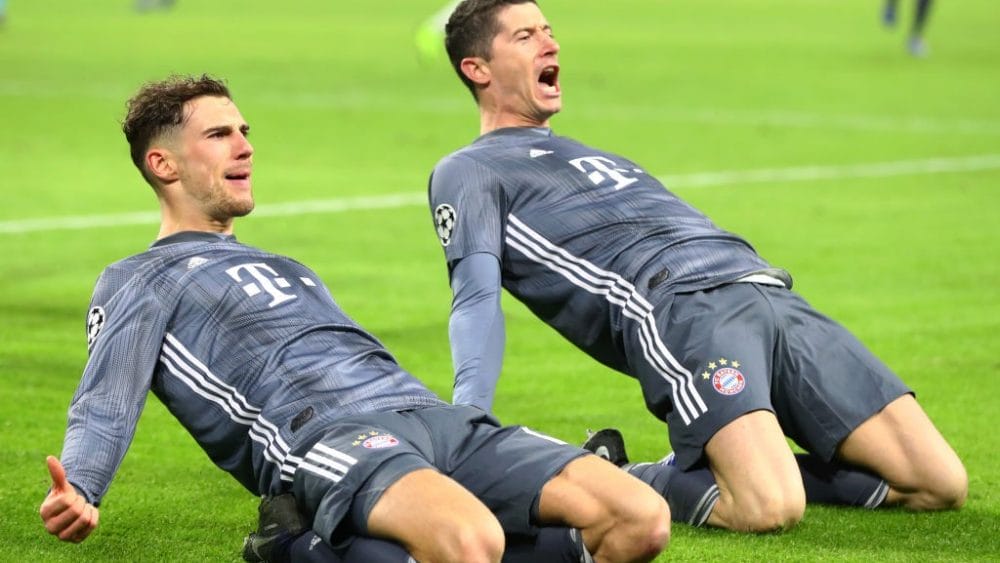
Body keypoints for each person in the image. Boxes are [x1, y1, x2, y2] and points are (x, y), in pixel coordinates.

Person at [38, 73, 671, 563]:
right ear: (164, 164)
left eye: (245, 131)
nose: (246, 147)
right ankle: (294, 548)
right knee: (469, 539)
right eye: (219, 135)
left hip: (433, 419)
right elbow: (105, 399)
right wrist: (82, 485)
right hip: (327, 437)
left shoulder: (288, 265)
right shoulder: (138, 279)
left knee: (640, 519)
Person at [428, 0, 968, 532]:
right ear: (476, 69)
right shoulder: (468, 170)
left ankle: (729, 465)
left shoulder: (597, 155)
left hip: (765, 289)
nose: (551, 42)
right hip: (682, 308)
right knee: (766, 509)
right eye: (524, 37)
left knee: (938, 483)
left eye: (547, 29)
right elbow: (475, 300)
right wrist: (470, 428)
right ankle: (610, 472)